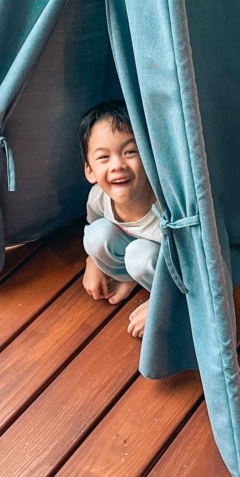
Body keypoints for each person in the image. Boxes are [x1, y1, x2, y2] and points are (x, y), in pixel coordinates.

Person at [77, 100, 160, 338]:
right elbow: (94, 224)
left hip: (170, 270)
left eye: (130, 152)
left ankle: (156, 291)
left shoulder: (168, 207)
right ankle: (130, 277)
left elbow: (196, 268)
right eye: (103, 157)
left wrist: (161, 307)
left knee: (140, 257)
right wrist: (92, 262)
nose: (117, 165)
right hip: (134, 254)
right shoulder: (98, 198)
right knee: (96, 236)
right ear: (90, 171)